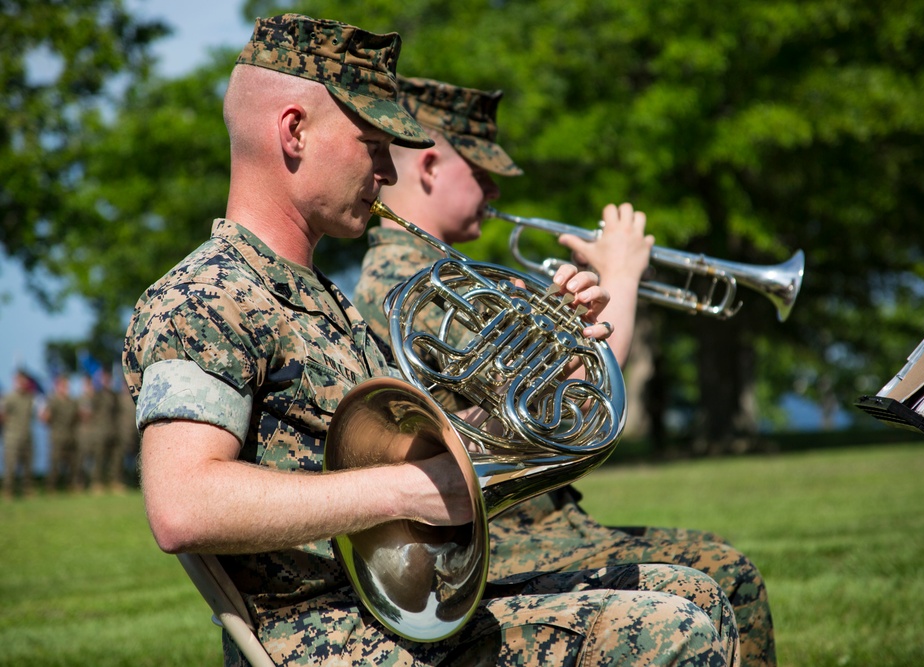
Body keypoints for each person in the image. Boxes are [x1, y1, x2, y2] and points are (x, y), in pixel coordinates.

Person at [122, 14, 737, 667]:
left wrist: (554, 356)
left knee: (692, 591)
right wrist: (406, 489)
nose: (388, 171)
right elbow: (183, 503)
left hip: (397, 615)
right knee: (673, 629)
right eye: (372, 142)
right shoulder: (204, 297)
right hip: (322, 636)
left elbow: (431, 450)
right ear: (294, 131)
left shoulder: (320, 297)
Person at [354, 76, 775, 667]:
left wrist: (570, 316)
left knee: (724, 572)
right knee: (727, 576)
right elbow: (572, 406)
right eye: (481, 171)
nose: (496, 187)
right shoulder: (410, 285)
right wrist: (622, 277)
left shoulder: (446, 269)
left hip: (540, 523)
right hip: (507, 538)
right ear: (428, 168)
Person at [1, 369, 38, 499]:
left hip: (27, 436)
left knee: (28, 466)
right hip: (12, 437)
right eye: (19, 380)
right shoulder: (8, 397)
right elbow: (2, 416)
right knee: (10, 466)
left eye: (24, 380)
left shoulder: (30, 398)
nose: (22, 382)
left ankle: (27, 490)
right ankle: (8, 491)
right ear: (15, 381)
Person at [41, 373, 80, 492]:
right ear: (57, 386)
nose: (65, 388)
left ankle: (72, 485)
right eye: (62, 385)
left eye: (66, 385)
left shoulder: (72, 402)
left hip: (70, 436)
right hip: (57, 437)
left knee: (73, 463)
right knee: (55, 463)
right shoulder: (52, 401)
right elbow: (45, 417)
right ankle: (51, 487)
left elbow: (76, 417)